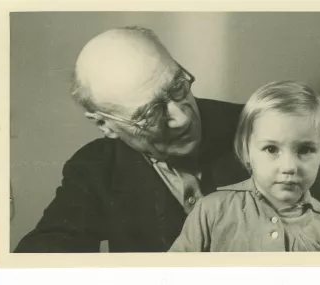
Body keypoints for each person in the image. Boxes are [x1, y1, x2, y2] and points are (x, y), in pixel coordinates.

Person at [14, 26, 249, 253]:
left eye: (177, 86)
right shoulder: (95, 168)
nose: (182, 118)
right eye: (149, 113)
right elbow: (47, 248)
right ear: (105, 124)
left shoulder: (258, 126)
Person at [169, 81, 320, 252]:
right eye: (271, 149)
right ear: (246, 152)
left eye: (305, 150)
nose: (289, 167)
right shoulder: (212, 210)